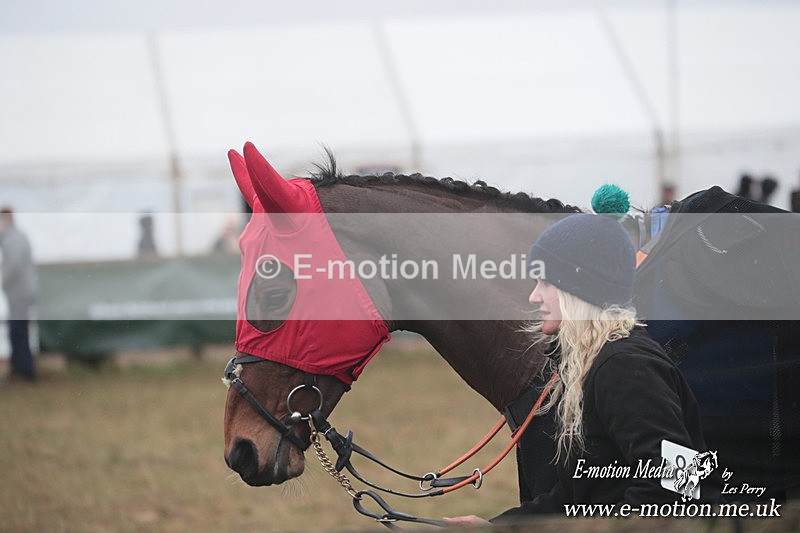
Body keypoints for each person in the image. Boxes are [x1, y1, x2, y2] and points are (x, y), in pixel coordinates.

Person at [444, 213, 722, 526]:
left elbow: (677, 487)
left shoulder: (624, 366)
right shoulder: (596, 362)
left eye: (545, 283)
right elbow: (575, 497)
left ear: (579, 288)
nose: (533, 296)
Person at [0, 208, 37, 382]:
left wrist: (3, 281)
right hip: (21, 292)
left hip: (19, 292)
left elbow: (12, 266)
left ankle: (24, 371)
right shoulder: (16, 237)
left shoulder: (13, 239)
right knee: (19, 331)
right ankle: (21, 370)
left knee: (17, 332)